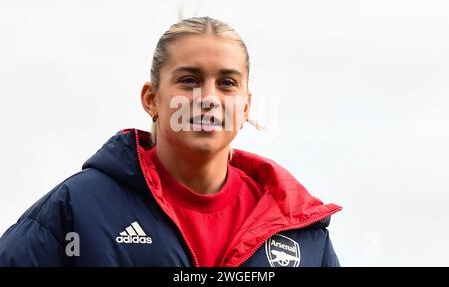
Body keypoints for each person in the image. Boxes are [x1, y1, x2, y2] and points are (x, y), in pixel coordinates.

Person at [0, 16, 342, 267]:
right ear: (151, 99)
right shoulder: (77, 209)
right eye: (190, 80)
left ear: (246, 105)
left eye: (226, 83)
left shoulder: (300, 230)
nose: (208, 98)